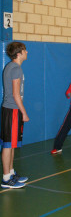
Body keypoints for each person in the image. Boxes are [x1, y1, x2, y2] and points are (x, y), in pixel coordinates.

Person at [0, 42, 29, 189]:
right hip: (13, 110)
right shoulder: (16, 69)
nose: (27, 52)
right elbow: (16, 95)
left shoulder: (11, 67)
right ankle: (6, 178)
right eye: (24, 50)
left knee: (11, 144)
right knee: (7, 145)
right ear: (19, 54)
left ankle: (11, 172)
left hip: (11, 110)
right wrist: (24, 112)